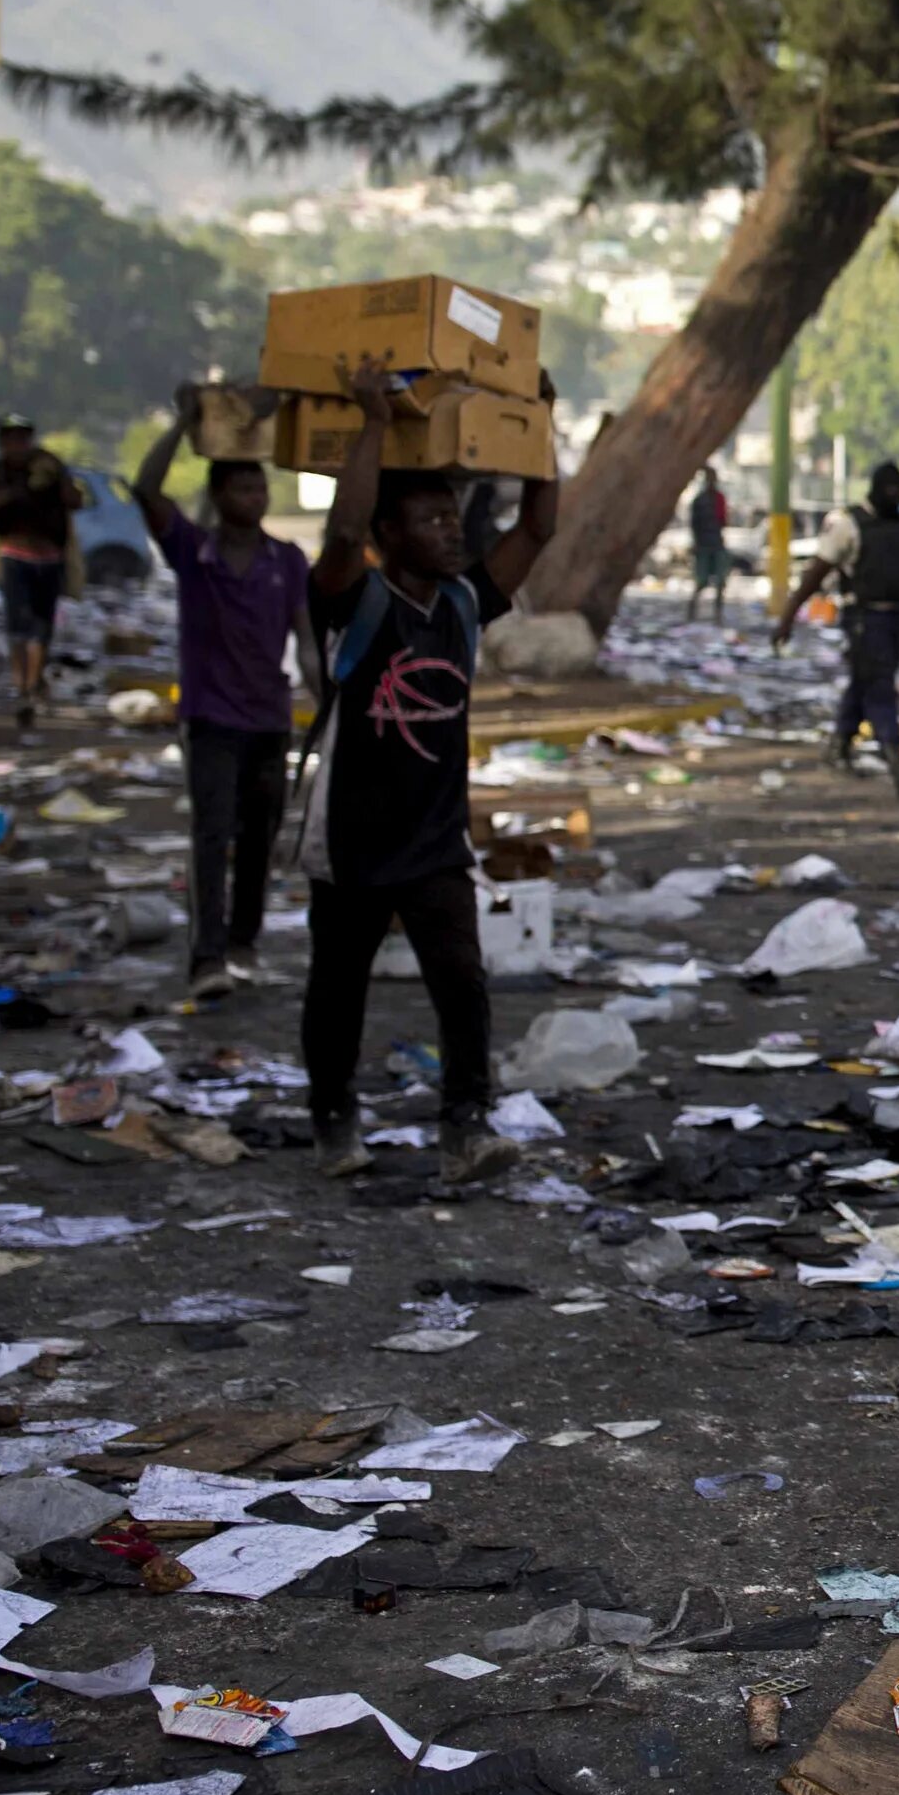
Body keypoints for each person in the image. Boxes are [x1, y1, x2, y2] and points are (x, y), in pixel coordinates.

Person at [298, 361, 558, 1181]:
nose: (453, 532)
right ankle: (334, 1119)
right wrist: (373, 422)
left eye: (454, 517)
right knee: (339, 988)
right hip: (351, 837)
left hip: (435, 839)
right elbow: (341, 537)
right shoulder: (353, 600)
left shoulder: (462, 605)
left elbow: (537, 531)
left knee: (462, 980)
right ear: (391, 537)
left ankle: (465, 1126)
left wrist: (540, 424)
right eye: (433, 521)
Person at [130, 386, 312, 1003]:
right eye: (243, 489)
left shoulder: (287, 561)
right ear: (218, 496)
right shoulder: (194, 553)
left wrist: (325, 698)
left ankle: (244, 942)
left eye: (261, 489)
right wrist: (184, 422)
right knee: (212, 836)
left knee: (260, 837)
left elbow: (306, 639)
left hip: (269, 717)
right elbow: (146, 490)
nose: (255, 499)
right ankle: (206, 956)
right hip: (211, 717)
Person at [773, 460, 899, 796]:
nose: (894, 495)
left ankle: (839, 746)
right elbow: (816, 573)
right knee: (880, 685)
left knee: (865, 680)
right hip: (864, 617)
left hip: (896, 616)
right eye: (889, 490)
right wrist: (788, 616)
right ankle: (895, 757)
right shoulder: (850, 525)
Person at [0, 412, 84, 726]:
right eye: (12, 439)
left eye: (23, 438)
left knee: (41, 626)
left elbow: (74, 500)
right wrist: (8, 498)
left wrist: (57, 479)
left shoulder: (49, 465)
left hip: (49, 556)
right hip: (14, 554)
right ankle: (21, 686)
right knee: (18, 624)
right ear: (2, 443)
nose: (18, 445)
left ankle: (32, 684)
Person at [685, 467, 733, 622]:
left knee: (720, 582)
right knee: (702, 581)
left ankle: (717, 615)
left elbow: (723, 521)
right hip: (704, 545)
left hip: (716, 543)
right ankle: (692, 611)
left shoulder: (719, 499)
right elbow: (694, 525)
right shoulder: (700, 501)